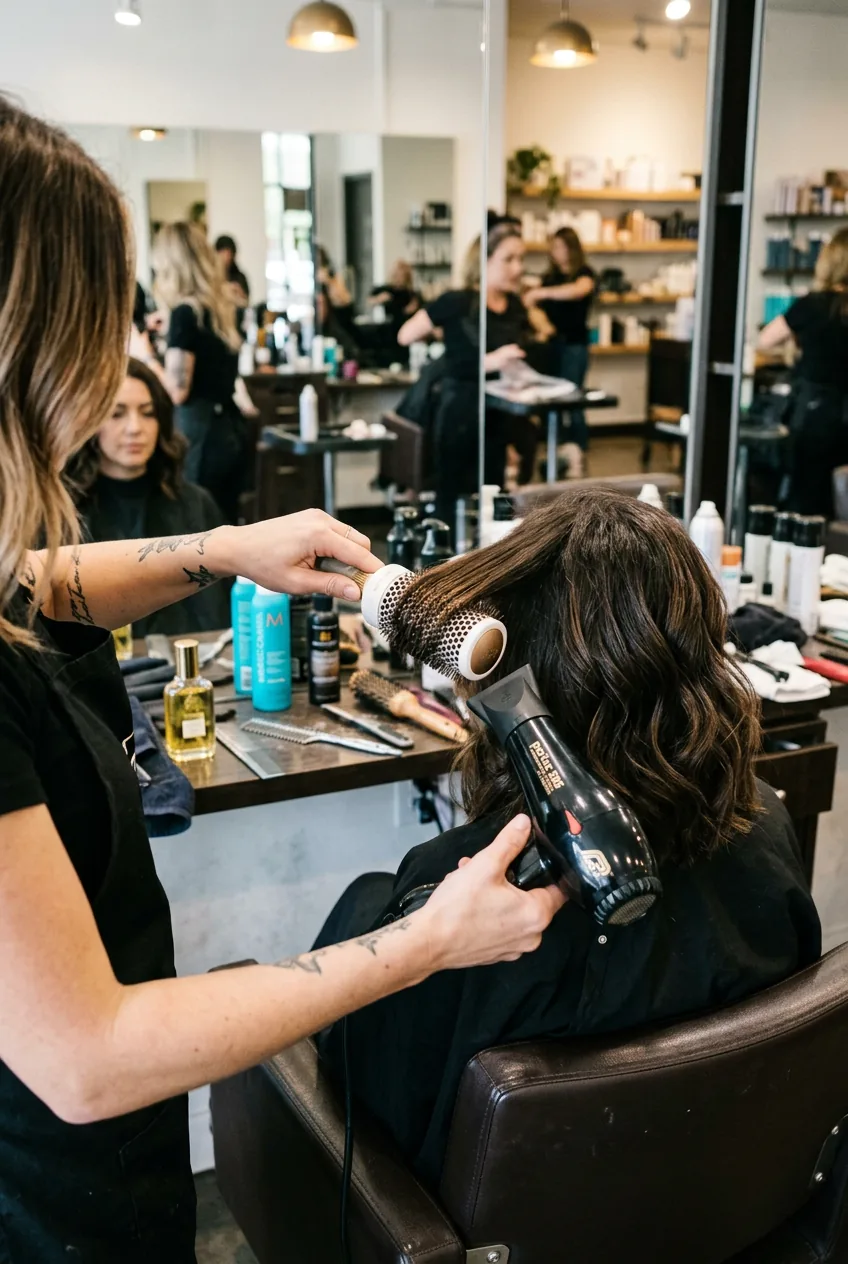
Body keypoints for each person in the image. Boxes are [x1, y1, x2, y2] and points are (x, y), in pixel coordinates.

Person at [0, 96, 563, 1263]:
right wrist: (421, 942)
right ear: (37, 342)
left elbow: (31, 585)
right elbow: (87, 1053)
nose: (121, 363)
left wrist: (219, 548)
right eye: (103, 325)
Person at [315, 487, 821, 1190]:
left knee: (360, 906)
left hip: (484, 1232)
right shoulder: (765, 820)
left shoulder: (463, 899)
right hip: (714, 1209)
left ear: (513, 674)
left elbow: (366, 1085)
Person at [68, 358, 229, 637]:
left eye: (148, 413)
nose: (135, 428)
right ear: (90, 421)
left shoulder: (195, 503)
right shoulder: (66, 513)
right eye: (117, 414)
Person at [398, 218, 534, 526]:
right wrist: (446, 339)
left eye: (521, 259)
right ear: (484, 261)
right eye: (509, 259)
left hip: (500, 411)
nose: (518, 268)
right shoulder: (457, 302)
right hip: (459, 413)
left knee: (495, 491)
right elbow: (405, 335)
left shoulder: (515, 307)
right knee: (451, 492)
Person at [152, 221, 247, 524]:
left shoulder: (184, 314)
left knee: (198, 530)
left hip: (199, 435)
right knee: (225, 524)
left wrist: (145, 358)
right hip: (228, 428)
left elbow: (177, 390)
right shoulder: (225, 307)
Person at [758, 227, 848, 517]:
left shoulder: (813, 305)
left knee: (809, 494)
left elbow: (766, 339)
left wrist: (799, 342)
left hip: (816, 413)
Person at [524, 226, 596, 467]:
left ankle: (579, 452)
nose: (556, 252)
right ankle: (557, 450)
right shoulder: (549, 277)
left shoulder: (584, 275)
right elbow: (533, 308)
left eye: (560, 247)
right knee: (551, 400)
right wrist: (544, 326)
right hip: (552, 347)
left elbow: (578, 291)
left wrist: (541, 292)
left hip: (575, 347)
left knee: (573, 400)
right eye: (553, 247)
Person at [369, 259, 422, 325]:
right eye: (396, 275)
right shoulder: (387, 289)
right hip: (390, 326)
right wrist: (378, 299)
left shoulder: (411, 294)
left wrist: (410, 310)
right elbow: (370, 300)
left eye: (401, 276)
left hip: (406, 325)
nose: (398, 279)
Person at [214, 233, 250, 309]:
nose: (226, 257)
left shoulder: (240, 277)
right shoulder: (211, 276)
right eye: (223, 252)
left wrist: (239, 295)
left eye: (229, 253)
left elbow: (246, 303)